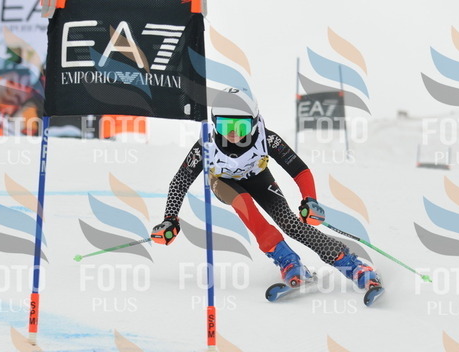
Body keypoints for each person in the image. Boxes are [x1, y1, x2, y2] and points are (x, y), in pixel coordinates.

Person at [151, 88, 383, 305]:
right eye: (224, 125)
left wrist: (309, 200)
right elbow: (180, 181)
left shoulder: (267, 138)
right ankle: (288, 262)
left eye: (241, 126)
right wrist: (170, 219)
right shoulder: (206, 144)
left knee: (290, 223)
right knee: (246, 206)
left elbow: (300, 170)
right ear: (214, 123)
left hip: (258, 178)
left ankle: (351, 265)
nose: (232, 133)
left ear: (254, 123)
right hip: (223, 182)